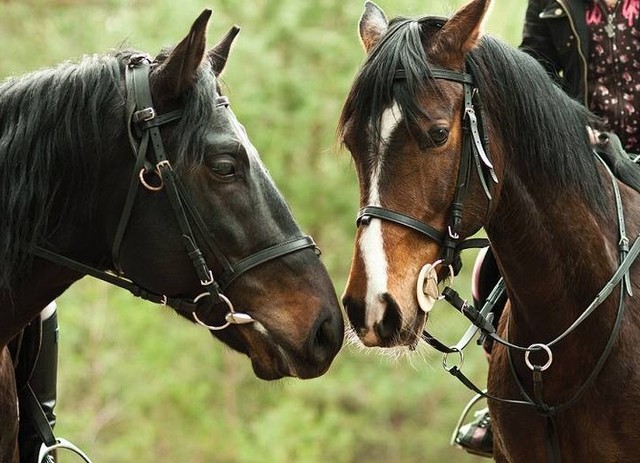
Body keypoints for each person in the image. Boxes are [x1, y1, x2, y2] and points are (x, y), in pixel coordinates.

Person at [454, 0, 640, 457]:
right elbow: (534, 73)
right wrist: (577, 129)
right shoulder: (552, 3)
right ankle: (498, 395)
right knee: (490, 268)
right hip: (581, 160)